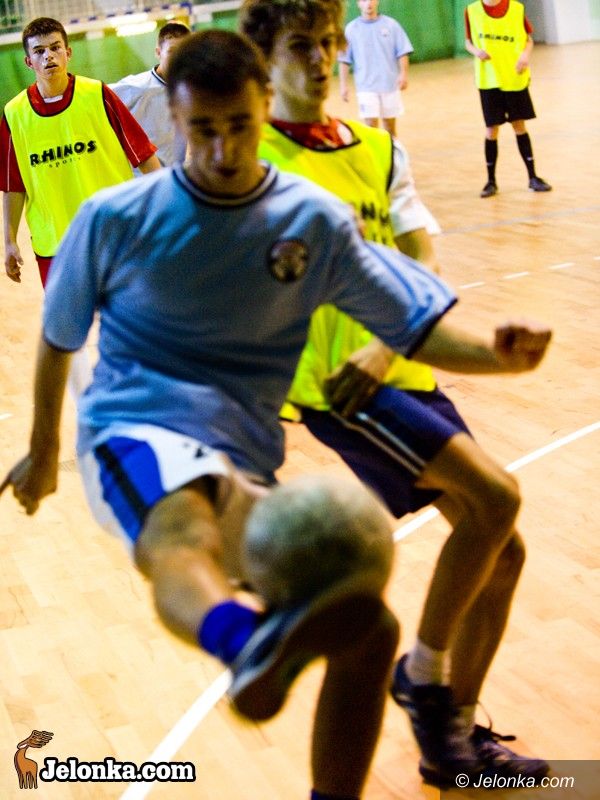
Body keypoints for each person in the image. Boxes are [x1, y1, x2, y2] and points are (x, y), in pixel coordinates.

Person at [1, 29, 552, 799]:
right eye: (201, 129)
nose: (221, 148)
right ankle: (244, 642)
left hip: (241, 452)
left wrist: (499, 353)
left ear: (263, 108)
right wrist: (42, 451)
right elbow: (58, 338)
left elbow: (408, 321)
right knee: (179, 529)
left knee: (369, 630)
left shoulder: (308, 218)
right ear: (175, 121)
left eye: (238, 125)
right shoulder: (117, 217)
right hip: (134, 428)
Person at [241, 0, 551, 789]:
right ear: (264, 58)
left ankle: (453, 738)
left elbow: (422, 263)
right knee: (497, 499)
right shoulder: (248, 165)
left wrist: (406, 346)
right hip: (339, 390)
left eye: (329, 43)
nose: (321, 59)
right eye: (301, 45)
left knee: (503, 553)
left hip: (399, 370)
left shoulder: (378, 151)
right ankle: (422, 676)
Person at [1, 16, 160, 289]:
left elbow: (143, 155)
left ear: (68, 52)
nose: (48, 56)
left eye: (55, 47)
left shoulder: (98, 94)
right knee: (67, 317)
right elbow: (13, 187)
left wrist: (165, 209)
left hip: (114, 234)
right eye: (39, 51)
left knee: (129, 312)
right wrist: (9, 241)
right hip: (55, 245)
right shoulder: (14, 114)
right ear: (28, 62)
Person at [464, 0, 552, 198]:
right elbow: (468, 41)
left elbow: (528, 40)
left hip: (513, 76)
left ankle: (533, 178)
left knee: (519, 125)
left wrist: (525, 56)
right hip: (489, 80)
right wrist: (476, 51)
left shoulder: (516, 8)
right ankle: (491, 182)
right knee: (491, 130)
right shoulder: (472, 11)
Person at [110, 21, 190, 168]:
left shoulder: (192, 90)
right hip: (142, 177)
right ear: (158, 52)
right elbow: (98, 99)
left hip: (174, 174)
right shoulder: (136, 87)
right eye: (172, 51)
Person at [338, 0, 412, 137]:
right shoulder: (351, 29)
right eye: (364, 0)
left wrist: (403, 74)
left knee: (390, 129)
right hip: (366, 88)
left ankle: (392, 150)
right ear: (358, 3)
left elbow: (402, 52)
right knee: (371, 128)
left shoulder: (391, 25)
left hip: (390, 85)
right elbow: (344, 60)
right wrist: (343, 85)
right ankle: (375, 152)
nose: (368, 4)